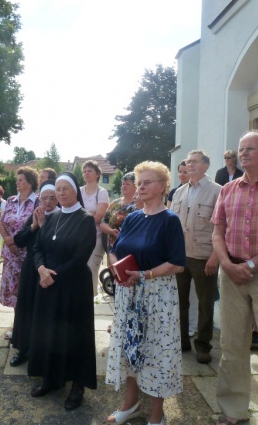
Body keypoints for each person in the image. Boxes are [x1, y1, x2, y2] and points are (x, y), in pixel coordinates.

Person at [105, 161, 186, 425]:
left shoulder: (170, 220)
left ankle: (156, 414)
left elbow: (177, 263)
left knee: (156, 353)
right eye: (139, 182)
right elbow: (114, 248)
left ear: (163, 186)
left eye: (147, 182)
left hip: (157, 295)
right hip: (128, 292)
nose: (140, 187)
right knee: (130, 349)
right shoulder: (132, 217)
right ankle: (131, 404)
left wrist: (144, 275)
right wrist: (117, 268)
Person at [211, 130, 258, 425]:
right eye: (241, 149)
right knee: (232, 346)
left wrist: (250, 266)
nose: (243, 153)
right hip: (231, 274)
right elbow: (217, 232)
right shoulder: (228, 190)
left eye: (251, 149)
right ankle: (233, 411)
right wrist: (226, 263)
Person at [27, 172, 96, 411]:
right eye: (58, 190)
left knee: (75, 335)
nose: (62, 193)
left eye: (66, 188)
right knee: (51, 332)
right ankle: (52, 378)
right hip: (48, 283)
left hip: (73, 286)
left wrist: (51, 276)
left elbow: (80, 258)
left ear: (75, 190)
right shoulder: (52, 215)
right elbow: (38, 248)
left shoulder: (85, 219)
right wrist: (41, 269)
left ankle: (77, 385)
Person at [171, 150, 221, 363]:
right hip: (180, 256)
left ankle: (203, 345)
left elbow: (222, 228)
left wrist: (215, 257)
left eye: (195, 161)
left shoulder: (218, 191)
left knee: (205, 303)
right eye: (188, 161)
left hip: (204, 256)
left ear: (206, 165)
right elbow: (171, 226)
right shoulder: (179, 192)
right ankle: (182, 340)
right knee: (179, 301)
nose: (190, 165)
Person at [10, 180, 59, 367]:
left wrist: (44, 225)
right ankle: (23, 348)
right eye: (44, 198)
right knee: (26, 308)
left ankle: (42, 351)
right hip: (31, 268)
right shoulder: (35, 215)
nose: (48, 202)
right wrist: (34, 226)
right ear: (40, 199)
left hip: (50, 268)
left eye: (52, 198)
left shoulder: (61, 217)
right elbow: (19, 240)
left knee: (44, 311)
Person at [0, 166, 39, 339]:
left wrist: (17, 242)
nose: (17, 182)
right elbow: (1, 223)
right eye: (18, 179)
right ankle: (17, 327)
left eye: (21, 179)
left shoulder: (37, 202)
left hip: (26, 254)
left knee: (25, 291)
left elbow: (36, 227)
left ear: (30, 183)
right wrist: (9, 240)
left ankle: (28, 327)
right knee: (14, 292)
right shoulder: (11, 200)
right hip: (11, 254)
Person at [80, 159, 109, 295]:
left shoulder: (101, 192)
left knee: (91, 269)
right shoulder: (79, 191)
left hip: (95, 237)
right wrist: (90, 214)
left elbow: (99, 218)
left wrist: (83, 215)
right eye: (84, 171)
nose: (86, 173)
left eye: (90, 171)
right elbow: (72, 213)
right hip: (78, 238)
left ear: (97, 174)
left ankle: (89, 302)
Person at [100, 172, 137, 254]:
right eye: (123, 184)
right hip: (112, 247)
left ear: (136, 186)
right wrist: (111, 231)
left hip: (131, 248)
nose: (124, 186)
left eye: (127, 184)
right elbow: (103, 223)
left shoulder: (139, 204)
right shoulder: (114, 203)